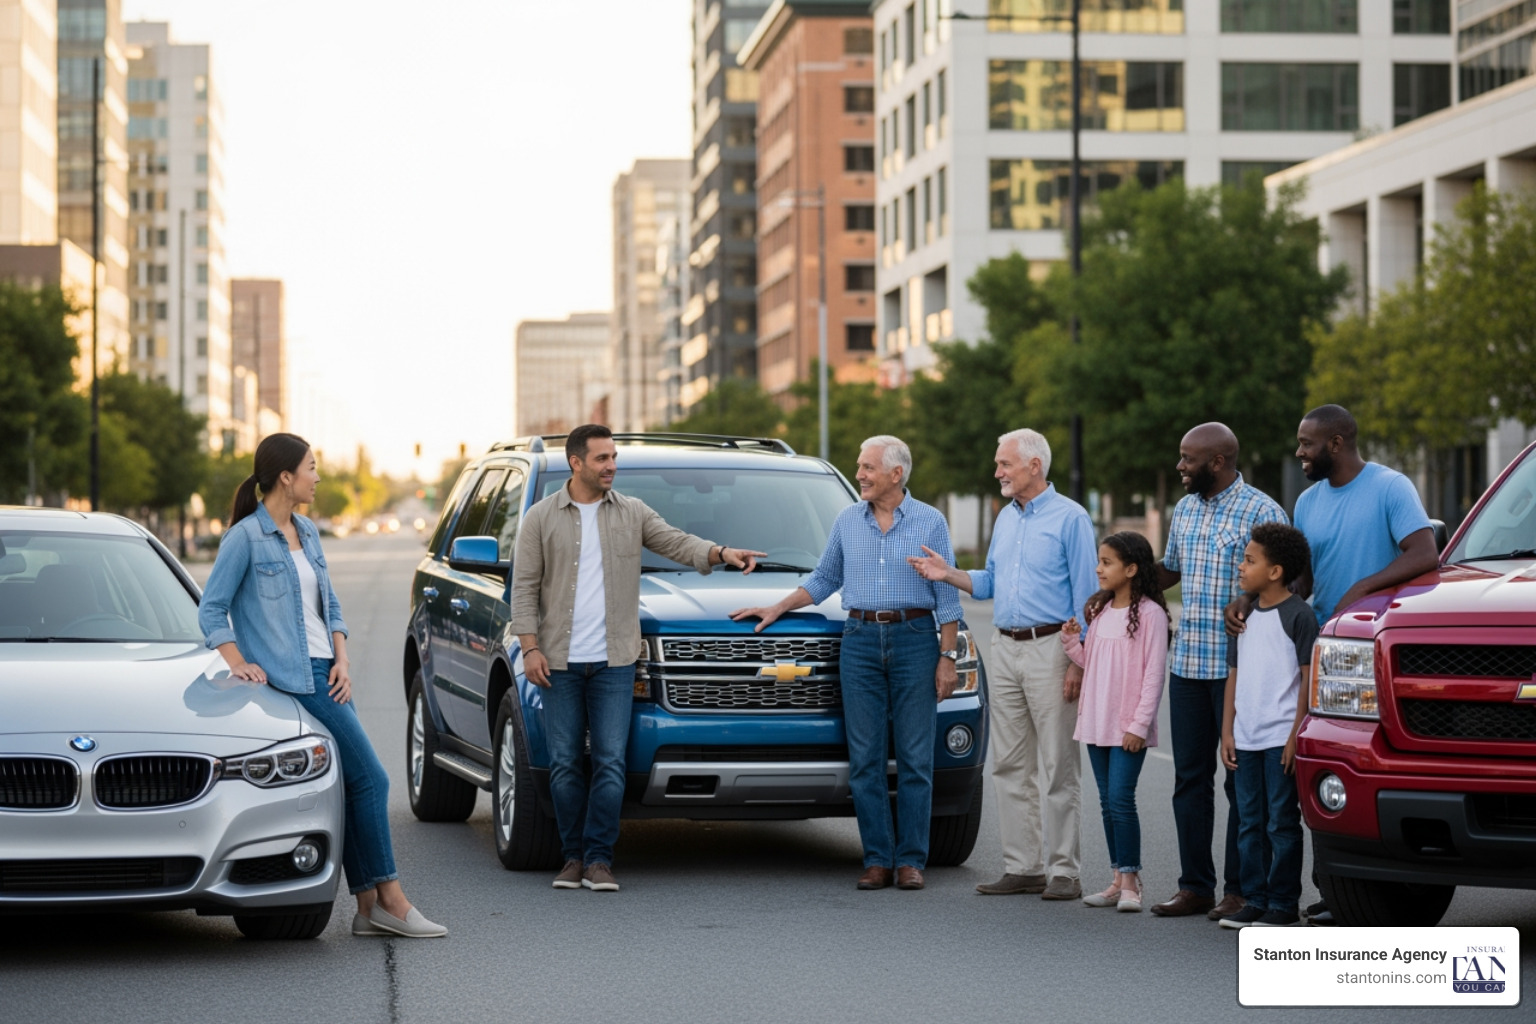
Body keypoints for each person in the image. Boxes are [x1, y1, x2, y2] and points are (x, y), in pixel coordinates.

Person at [200, 433, 446, 939]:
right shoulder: (245, 538)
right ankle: (392, 901)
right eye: (312, 468)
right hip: (295, 678)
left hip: (328, 673)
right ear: (286, 476)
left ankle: (365, 908)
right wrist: (239, 661)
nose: (318, 476)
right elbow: (211, 608)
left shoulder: (308, 532)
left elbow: (329, 605)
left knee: (354, 784)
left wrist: (344, 658)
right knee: (373, 780)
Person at [511, 424, 764, 893]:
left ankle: (600, 860)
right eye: (602, 458)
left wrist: (722, 552)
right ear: (577, 463)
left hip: (616, 660)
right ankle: (572, 857)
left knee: (610, 761)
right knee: (565, 763)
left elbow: (677, 542)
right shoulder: (542, 518)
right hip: (559, 662)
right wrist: (530, 647)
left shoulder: (631, 512)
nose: (611, 466)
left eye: (613, 457)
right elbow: (523, 587)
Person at [1225, 404, 1436, 923]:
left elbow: (1425, 552)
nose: (1300, 452)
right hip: (1319, 649)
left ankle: (1346, 890)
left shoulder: (1391, 487)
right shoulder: (1308, 502)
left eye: (1307, 443)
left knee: (1355, 767)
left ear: (1337, 443)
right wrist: (1251, 602)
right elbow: (1298, 581)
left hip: (1373, 651)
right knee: (1315, 770)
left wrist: (1362, 588)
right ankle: (1318, 891)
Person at [732, 436, 961, 891]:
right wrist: (777, 607)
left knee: (916, 758)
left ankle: (911, 860)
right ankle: (877, 858)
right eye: (859, 466)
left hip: (915, 639)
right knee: (866, 759)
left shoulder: (930, 522)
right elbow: (824, 579)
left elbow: (947, 597)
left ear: (896, 474)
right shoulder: (846, 520)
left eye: (868, 467)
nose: (859, 474)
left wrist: (947, 658)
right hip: (857, 641)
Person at [909, 428, 1096, 900]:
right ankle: (1023, 865)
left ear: (1034, 465)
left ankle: (1064, 872)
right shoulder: (1007, 519)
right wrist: (947, 573)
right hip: (1005, 647)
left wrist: (1079, 662)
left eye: (1005, 464)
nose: (997, 473)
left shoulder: (1071, 519)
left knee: (1057, 764)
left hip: (1052, 648)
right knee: (1009, 764)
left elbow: (1087, 599)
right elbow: (990, 581)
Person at [1151, 423, 1287, 922]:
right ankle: (1195, 887)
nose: (1181, 466)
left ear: (1218, 461)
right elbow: (1171, 569)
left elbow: (1286, 580)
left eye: (1189, 459)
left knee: (1241, 784)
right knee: (1190, 779)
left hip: (1239, 670)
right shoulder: (1185, 509)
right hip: (1188, 664)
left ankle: (1240, 889)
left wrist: (1249, 597)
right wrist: (1120, 581)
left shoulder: (1263, 511)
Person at [1062, 532, 1169, 913]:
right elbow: (1094, 663)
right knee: (1107, 803)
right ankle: (1115, 879)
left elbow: (1154, 675)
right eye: (1099, 561)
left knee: (1122, 799)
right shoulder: (1101, 612)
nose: (1098, 568)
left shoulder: (1152, 616)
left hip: (1127, 727)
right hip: (1096, 722)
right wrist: (1073, 643)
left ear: (1132, 569)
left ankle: (1131, 880)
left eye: (1106, 562)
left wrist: (1139, 726)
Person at [1218, 523, 1318, 928]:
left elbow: (1307, 682)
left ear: (1275, 571)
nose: (1241, 567)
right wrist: (1227, 731)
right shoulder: (1240, 617)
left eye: (1249, 560)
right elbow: (1233, 676)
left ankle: (1282, 904)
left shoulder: (1299, 616)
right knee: (1248, 822)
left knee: (1281, 823)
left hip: (1280, 738)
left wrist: (1296, 735)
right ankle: (1255, 899)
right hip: (1245, 737)